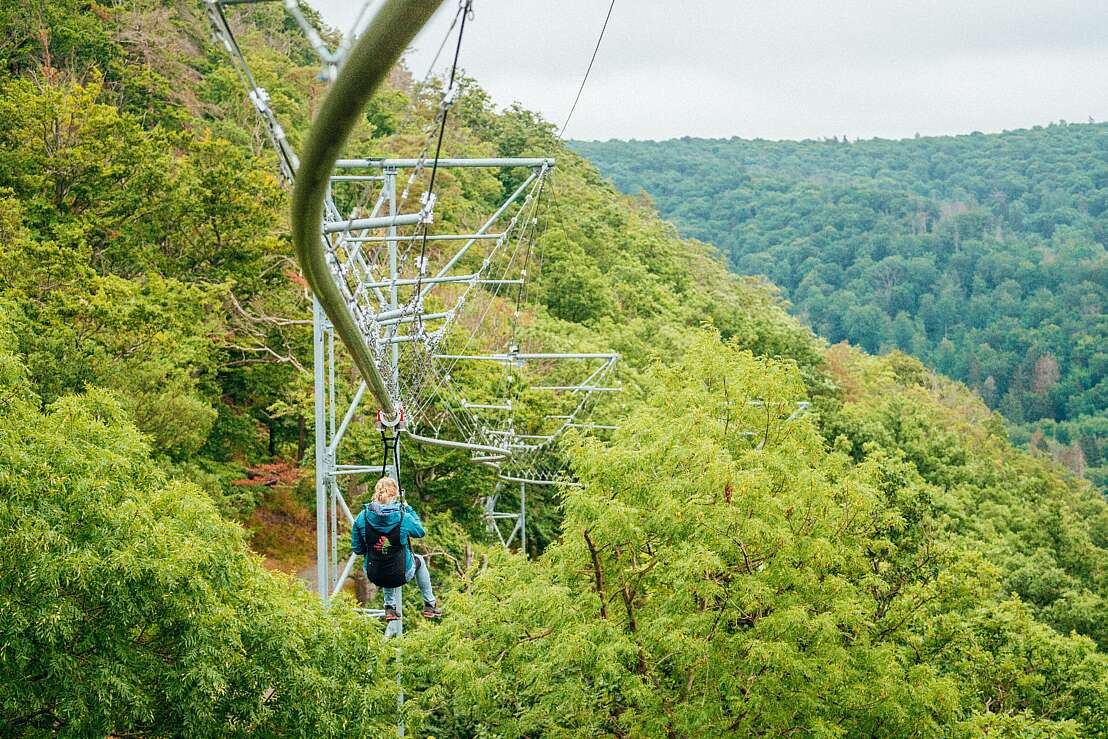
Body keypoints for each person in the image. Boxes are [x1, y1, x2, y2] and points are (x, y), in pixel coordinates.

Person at [351, 477, 441, 620]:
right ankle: (430, 604)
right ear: (394, 495)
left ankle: (389, 608)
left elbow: (358, 549)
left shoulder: (362, 518)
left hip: (374, 574)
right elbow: (420, 531)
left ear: (376, 493)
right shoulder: (403, 517)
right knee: (419, 560)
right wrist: (408, 508)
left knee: (385, 560)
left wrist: (374, 545)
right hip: (400, 575)